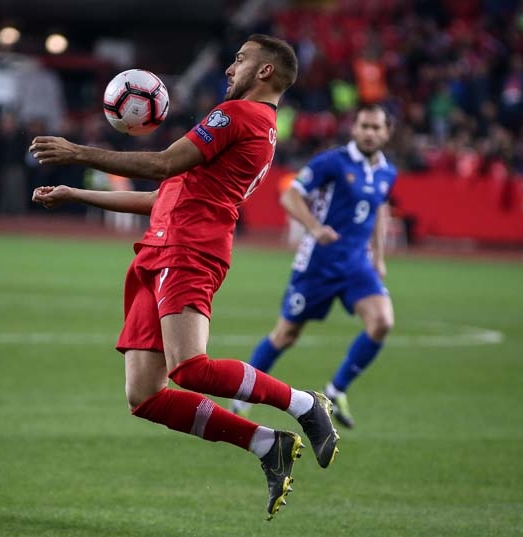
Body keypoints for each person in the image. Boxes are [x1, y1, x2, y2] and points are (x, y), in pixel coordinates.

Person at [29, 34, 339, 520]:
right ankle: (266, 445)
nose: (229, 68)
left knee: (190, 368)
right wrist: (76, 194)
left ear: (264, 72)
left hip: (190, 247)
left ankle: (304, 404)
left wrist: (78, 152)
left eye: (240, 59)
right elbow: (165, 197)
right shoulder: (253, 125)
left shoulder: (239, 116)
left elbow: (162, 164)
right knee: (144, 395)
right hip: (159, 247)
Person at [230, 104, 397, 429]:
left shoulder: (387, 171)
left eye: (377, 128)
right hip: (317, 265)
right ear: (354, 128)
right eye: (364, 125)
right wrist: (314, 227)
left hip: (356, 265)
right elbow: (290, 195)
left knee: (382, 321)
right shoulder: (332, 162)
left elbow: (379, 209)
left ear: (387, 133)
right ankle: (240, 397)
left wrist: (378, 256)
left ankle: (335, 391)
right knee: (286, 334)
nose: (370, 132)